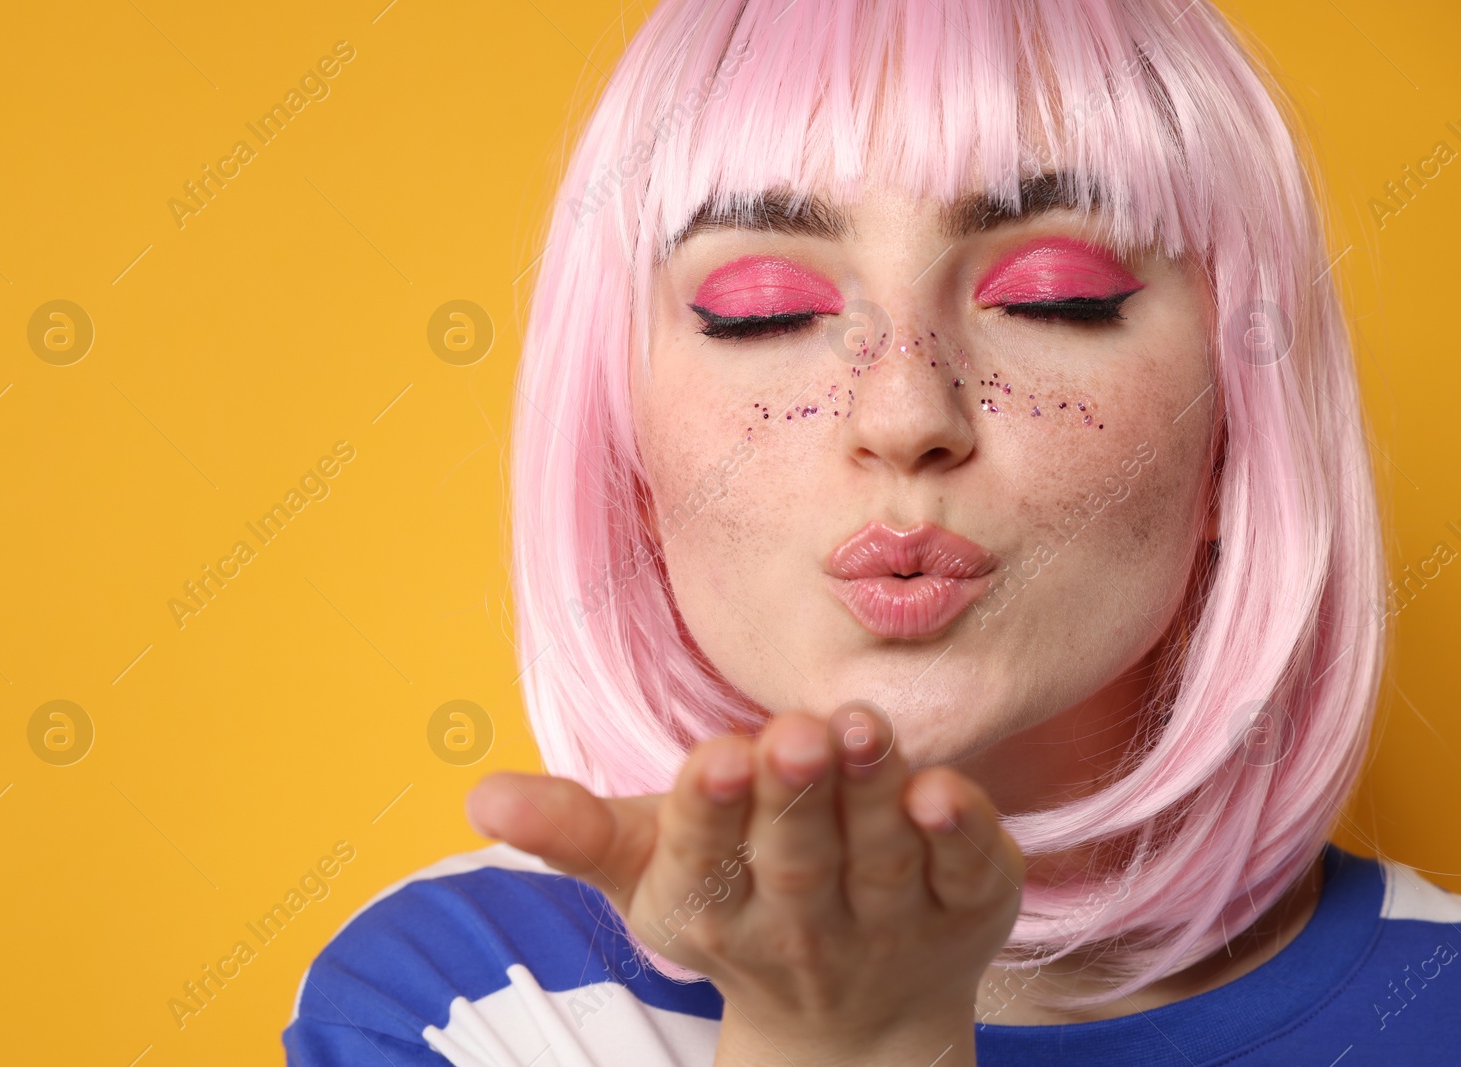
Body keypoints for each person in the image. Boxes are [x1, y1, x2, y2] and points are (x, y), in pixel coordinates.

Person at [283, 0, 1461, 1062]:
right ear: (628, 452)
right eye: (763, 311)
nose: (904, 413)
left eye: (1053, 294)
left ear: (1234, 430)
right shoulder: (471, 1004)